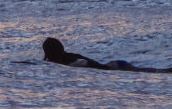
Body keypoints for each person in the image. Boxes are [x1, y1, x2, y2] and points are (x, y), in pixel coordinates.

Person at [42, 37, 171, 72]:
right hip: (115, 65)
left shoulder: (70, 59)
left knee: (158, 72)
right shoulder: (67, 57)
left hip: (117, 67)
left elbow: (84, 63)